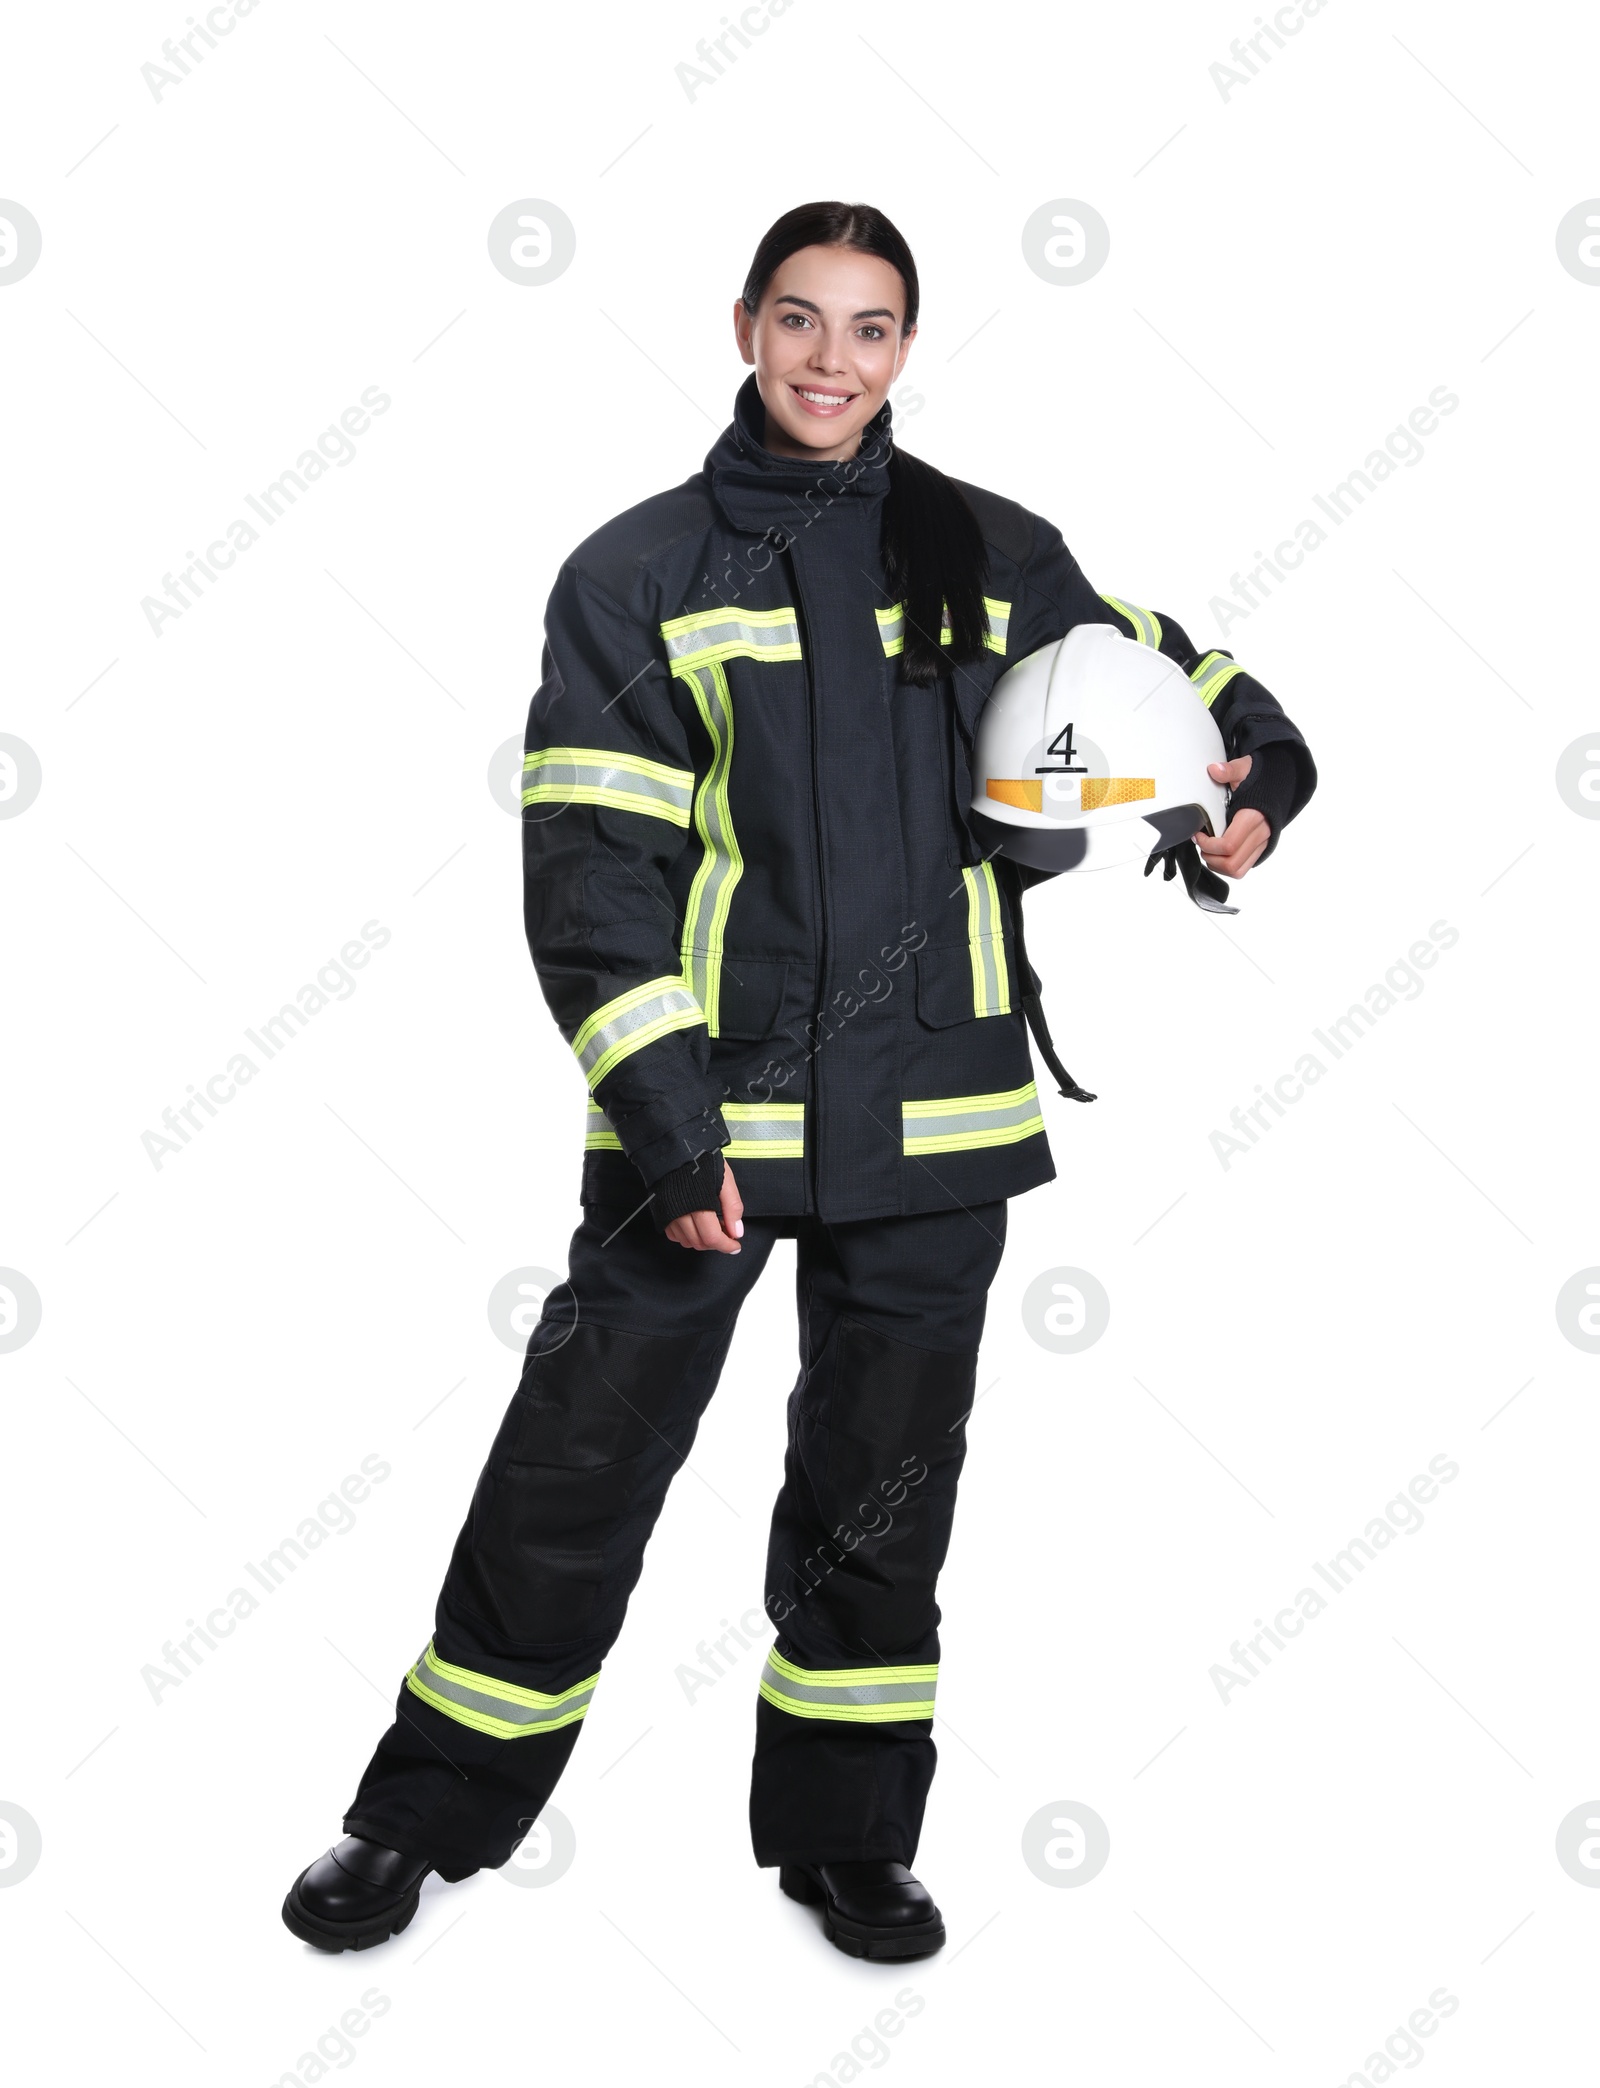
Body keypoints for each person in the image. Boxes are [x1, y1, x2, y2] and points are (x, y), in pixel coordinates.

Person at [282, 200, 1316, 1959]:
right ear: (746, 327)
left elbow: (1192, 679)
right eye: (803, 320)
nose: (835, 361)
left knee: (885, 1483)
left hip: (942, 1115)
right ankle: (423, 1816)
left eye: (873, 327)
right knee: (578, 1465)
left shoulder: (992, 549)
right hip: (714, 1120)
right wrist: (668, 1120)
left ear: (909, 348)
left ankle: (846, 1835)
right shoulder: (638, 572)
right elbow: (594, 879)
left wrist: (1256, 788)